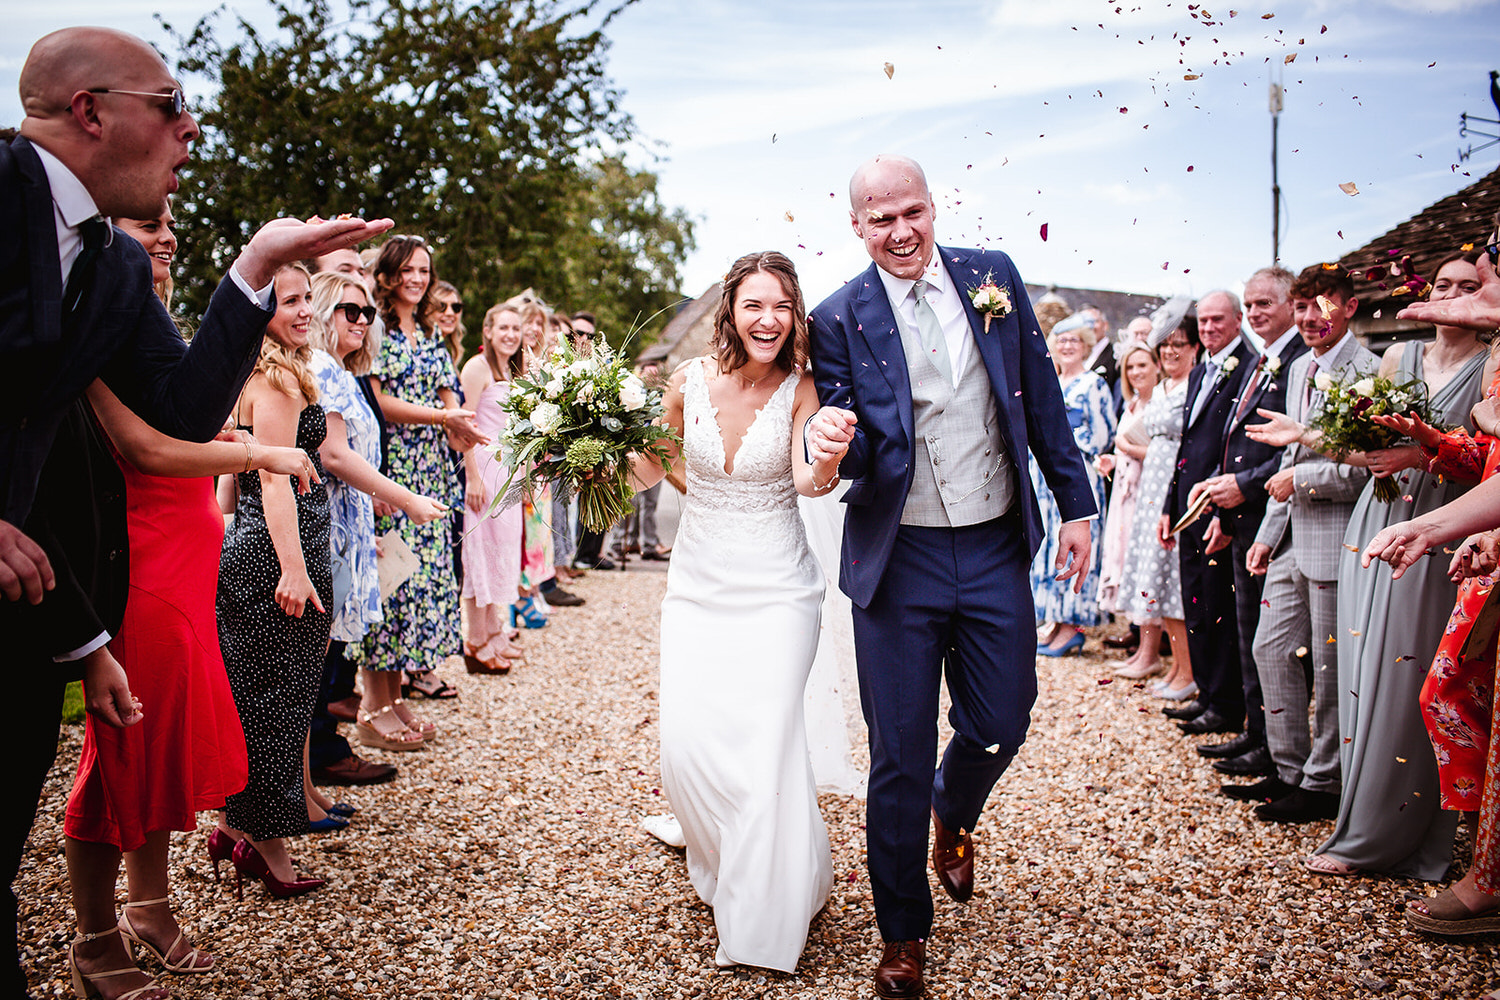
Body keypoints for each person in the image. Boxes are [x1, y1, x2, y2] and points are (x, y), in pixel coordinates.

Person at [0, 26, 389, 999]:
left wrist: (256, 267)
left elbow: (176, 409)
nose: (191, 129)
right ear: (92, 111)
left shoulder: (115, 267)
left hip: (32, 596)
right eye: (171, 104)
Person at [807, 155, 1095, 998]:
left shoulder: (992, 277)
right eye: (880, 220)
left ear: (933, 208)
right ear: (856, 227)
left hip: (995, 541)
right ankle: (902, 932)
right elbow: (858, 442)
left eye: (912, 212)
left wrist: (1076, 506)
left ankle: (954, 806)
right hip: (900, 559)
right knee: (898, 751)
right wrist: (833, 441)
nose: (901, 232)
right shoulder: (838, 317)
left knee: (1005, 718)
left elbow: (1038, 395)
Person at [63, 211, 315, 1000]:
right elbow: (143, 448)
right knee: (118, 760)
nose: (167, 237)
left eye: (172, 227)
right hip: (135, 570)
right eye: (149, 224)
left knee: (164, 751)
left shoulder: (155, 335)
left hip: (184, 574)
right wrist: (256, 451)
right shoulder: (90, 337)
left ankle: (150, 905)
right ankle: (93, 937)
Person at [631, 251, 845, 971]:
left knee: (764, 751)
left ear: (795, 314)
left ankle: (764, 917)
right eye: (755, 305)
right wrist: (585, 442)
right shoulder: (687, 382)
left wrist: (828, 460)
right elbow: (652, 466)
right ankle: (726, 853)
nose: (768, 319)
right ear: (730, 310)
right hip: (697, 586)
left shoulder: (802, 387)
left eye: (781, 306)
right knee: (685, 750)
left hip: (780, 590)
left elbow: (805, 480)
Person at [1305, 252, 1486, 877]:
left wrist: (1419, 452)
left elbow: (1484, 457)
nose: (1454, 295)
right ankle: (1360, 816)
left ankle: (1403, 834)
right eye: (1444, 284)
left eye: (1470, 285)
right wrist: (1354, 448)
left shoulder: (1493, 367)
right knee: (1363, 664)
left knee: (1410, 669)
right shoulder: (1398, 356)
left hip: (1446, 527)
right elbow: (1354, 450)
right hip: (1377, 519)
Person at [212, 263, 335, 905]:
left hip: (249, 550)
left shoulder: (250, 373)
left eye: (307, 297)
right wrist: (291, 567)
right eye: (290, 300)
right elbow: (272, 478)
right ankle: (268, 850)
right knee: (276, 709)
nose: (305, 308)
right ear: (262, 310)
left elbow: (230, 483)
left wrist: (228, 542)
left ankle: (235, 827)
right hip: (279, 555)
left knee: (257, 699)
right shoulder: (279, 381)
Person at [1240, 264, 1377, 821]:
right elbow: (1290, 457)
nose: (1308, 317)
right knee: (1268, 649)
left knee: (1329, 665)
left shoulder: (1369, 371)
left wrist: (1301, 481)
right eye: (1300, 307)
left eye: (1321, 305)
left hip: (1338, 538)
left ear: (1348, 307)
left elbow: (1370, 471)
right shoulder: (1299, 368)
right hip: (1292, 536)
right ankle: (1287, 769)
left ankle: (1325, 782)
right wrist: (1268, 535)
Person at [307, 271, 449, 749]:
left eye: (367, 312)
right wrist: (407, 500)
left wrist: (373, 496)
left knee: (316, 662)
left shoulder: (341, 371)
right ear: (323, 312)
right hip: (324, 527)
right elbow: (334, 454)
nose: (363, 320)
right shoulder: (322, 369)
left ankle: (305, 788)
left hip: (350, 520)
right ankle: (298, 788)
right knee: (308, 668)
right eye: (351, 310)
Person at [1190, 266, 1307, 781]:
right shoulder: (1264, 359)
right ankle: (1258, 735)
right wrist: (1225, 511)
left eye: (1265, 304)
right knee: (1248, 633)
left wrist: (1245, 489)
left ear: (1290, 304)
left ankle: (1276, 747)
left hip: (1277, 516)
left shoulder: (1300, 360)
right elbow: (1233, 443)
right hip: (1244, 518)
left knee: (1271, 641)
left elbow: (1292, 451)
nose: (1257, 312)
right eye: (1252, 304)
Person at [360, 235, 483, 703]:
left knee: (427, 582)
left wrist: (463, 430)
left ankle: (401, 696)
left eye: (424, 271)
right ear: (389, 276)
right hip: (393, 468)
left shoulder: (431, 335)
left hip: (434, 469)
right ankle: (376, 705)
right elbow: (380, 402)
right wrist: (441, 416)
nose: (417, 279)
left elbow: (451, 398)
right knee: (394, 582)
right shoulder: (375, 331)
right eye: (408, 270)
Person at [1156, 290, 1258, 738]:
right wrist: (1168, 505)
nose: (1210, 327)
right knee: (1195, 600)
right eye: (1205, 321)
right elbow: (1186, 447)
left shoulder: (1250, 367)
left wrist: (1219, 509)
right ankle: (1207, 693)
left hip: (1219, 506)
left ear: (1238, 320)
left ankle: (1226, 704)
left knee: (1219, 607)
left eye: (1219, 320)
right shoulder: (1201, 372)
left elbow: (1230, 449)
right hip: (1186, 505)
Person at [1031, 312, 1115, 656]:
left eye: (1074, 341)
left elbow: (1102, 433)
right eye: (1061, 340)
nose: (1067, 346)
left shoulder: (1093, 383)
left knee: (1074, 546)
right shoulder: (1050, 381)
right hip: (1043, 477)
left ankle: (1072, 626)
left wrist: (1066, 445)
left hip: (1076, 473)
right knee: (1049, 546)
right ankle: (1053, 620)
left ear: (1085, 346)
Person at [459, 303, 528, 673]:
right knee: (480, 555)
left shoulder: (513, 370)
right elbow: (463, 424)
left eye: (515, 329)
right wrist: (471, 475)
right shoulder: (476, 367)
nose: (510, 335)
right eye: (503, 327)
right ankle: (476, 640)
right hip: (483, 469)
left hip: (509, 474)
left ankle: (494, 629)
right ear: (488, 330)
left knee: (501, 554)